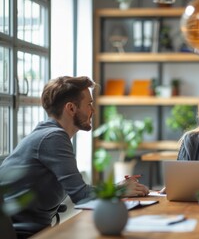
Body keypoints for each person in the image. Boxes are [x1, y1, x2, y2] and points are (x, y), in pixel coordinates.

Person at [0, 76, 149, 229]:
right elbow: (81, 196)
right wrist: (121, 189)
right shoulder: (53, 137)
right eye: (89, 104)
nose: (93, 110)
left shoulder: (48, 134)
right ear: (71, 108)